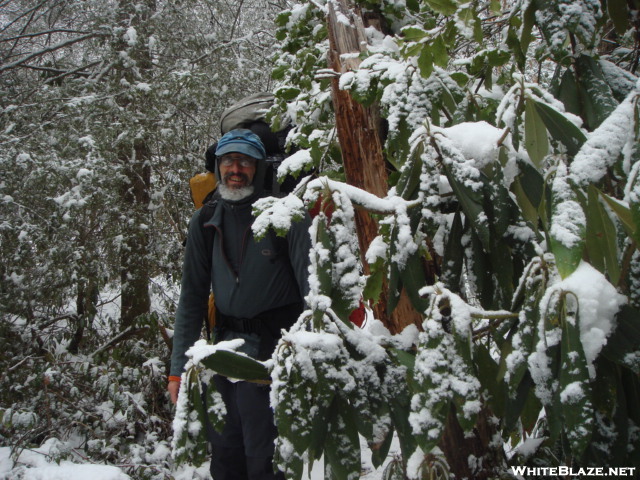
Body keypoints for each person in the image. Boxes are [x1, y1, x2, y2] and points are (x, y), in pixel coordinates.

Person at [168, 129, 311, 480]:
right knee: (226, 456)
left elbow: (313, 293)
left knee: (265, 458)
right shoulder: (204, 221)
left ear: (260, 168)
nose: (236, 169)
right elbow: (191, 298)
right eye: (229, 160)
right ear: (217, 167)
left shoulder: (286, 218)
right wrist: (177, 369)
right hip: (220, 354)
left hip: (272, 357)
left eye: (245, 161)